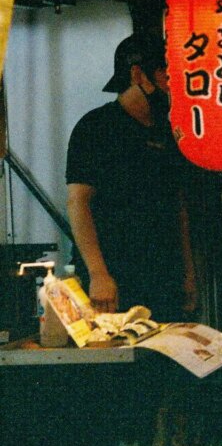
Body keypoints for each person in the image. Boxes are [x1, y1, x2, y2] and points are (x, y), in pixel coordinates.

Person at [65, 33, 197, 321]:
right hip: (114, 279)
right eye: (167, 74)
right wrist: (98, 274)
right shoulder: (95, 128)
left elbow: (178, 206)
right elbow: (78, 203)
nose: (173, 84)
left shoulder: (170, 129)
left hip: (165, 276)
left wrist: (188, 273)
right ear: (138, 74)